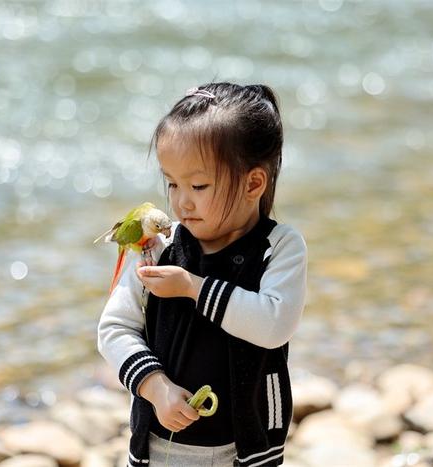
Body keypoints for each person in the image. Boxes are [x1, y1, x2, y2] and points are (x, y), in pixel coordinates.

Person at [97, 82, 307, 467]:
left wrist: (194, 288)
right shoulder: (158, 245)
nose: (180, 201)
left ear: (253, 183)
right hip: (160, 444)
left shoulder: (278, 248)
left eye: (198, 185)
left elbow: (275, 324)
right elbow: (114, 329)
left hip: (244, 448)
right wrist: (155, 387)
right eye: (172, 183)